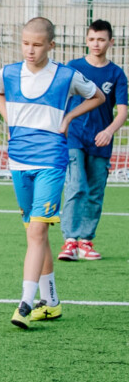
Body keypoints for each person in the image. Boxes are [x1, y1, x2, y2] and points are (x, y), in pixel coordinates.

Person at [0, 17, 104, 329]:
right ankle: (51, 303)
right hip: (19, 161)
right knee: (35, 233)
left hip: (51, 161)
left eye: (37, 45)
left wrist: (68, 118)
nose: (30, 50)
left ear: (51, 45)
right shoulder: (8, 73)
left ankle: (25, 303)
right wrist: (9, 118)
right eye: (25, 43)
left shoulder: (66, 75)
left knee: (37, 232)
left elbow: (98, 96)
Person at [58, 19, 128, 262]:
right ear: (86, 41)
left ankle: (86, 241)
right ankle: (70, 241)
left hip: (101, 140)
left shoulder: (116, 74)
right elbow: (61, 99)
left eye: (101, 39)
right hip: (75, 136)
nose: (96, 44)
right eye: (91, 39)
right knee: (76, 185)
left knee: (95, 192)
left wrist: (109, 131)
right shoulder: (73, 68)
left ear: (111, 42)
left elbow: (122, 112)